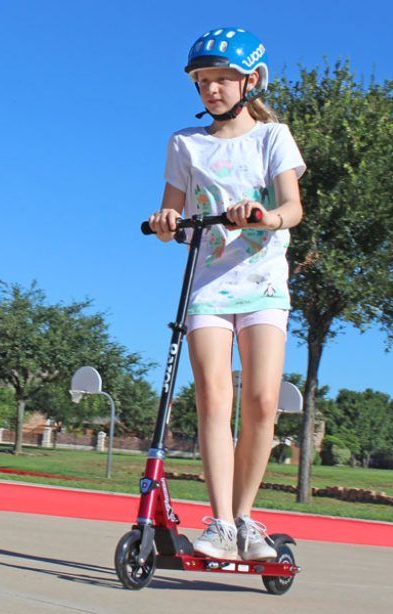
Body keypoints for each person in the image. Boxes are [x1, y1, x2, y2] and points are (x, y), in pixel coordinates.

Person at [147, 27, 305, 561]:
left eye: (222, 79)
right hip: (209, 285)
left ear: (251, 81)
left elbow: (293, 208)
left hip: (263, 285)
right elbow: (173, 218)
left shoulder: (272, 138)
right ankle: (219, 524)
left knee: (262, 402)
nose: (211, 89)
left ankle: (245, 520)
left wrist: (264, 216)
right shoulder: (185, 144)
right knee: (214, 398)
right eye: (202, 81)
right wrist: (166, 223)